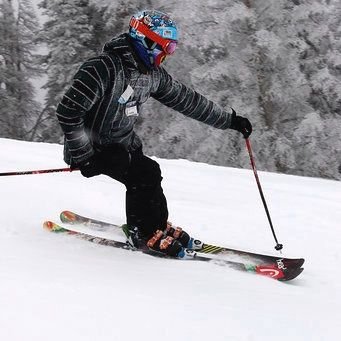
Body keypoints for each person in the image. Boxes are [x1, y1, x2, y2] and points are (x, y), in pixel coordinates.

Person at [56, 10, 252, 258]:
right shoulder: (102, 67)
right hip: (94, 151)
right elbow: (68, 112)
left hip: (122, 147)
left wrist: (229, 120)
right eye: (164, 47)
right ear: (145, 41)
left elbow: (186, 99)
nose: (166, 54)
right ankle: (144, 233)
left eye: (171, 48)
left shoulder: (151, 75)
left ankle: (156, 226)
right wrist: (85, 156)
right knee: (143, 174)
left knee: (150, 171)